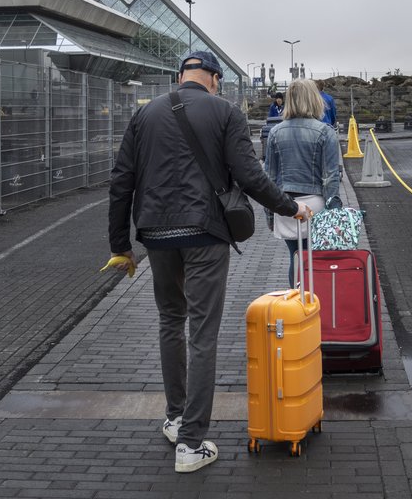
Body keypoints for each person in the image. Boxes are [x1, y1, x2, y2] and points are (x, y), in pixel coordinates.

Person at [108, 50, 311, 473]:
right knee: (202, 332)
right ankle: (191, 443)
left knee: (170, 321)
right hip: (204, 233)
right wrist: (290, 207)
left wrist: (120, 246)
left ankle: (175, 417)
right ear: (215, 79)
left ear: (181, 76)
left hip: (155, 234)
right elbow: (250, 176)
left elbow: (122, 179)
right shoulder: (224, 112)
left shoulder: (144, 115)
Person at [264, 79, 342, 287]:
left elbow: (269, 177)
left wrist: (269, 213)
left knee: (296, 257)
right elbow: (331, 176)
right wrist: (334, 211)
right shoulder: (325, 131)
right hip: (315, 203)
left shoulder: (275, 132)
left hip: (286, 205)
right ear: (314, 99)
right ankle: (316, 298)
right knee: (314, 259)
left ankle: (297, 299)